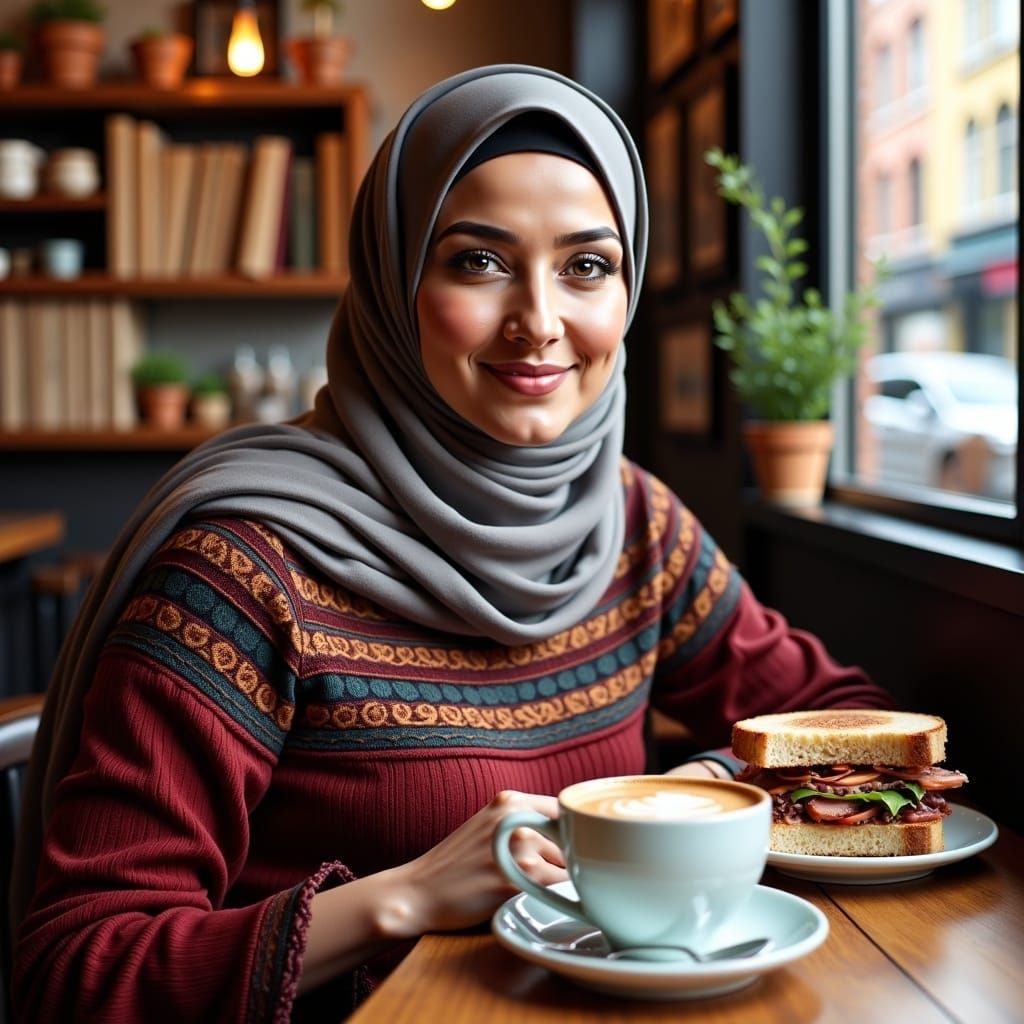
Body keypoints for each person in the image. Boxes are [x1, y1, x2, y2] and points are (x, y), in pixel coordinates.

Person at [11, 64, 892, 1022]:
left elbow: (854, 726)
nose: (540, 322)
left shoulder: (632, 522)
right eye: (479, 261)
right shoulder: (245, 570)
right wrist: (405, 898)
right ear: (394, 284)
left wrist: (705, 788)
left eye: (586, 267)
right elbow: (78, 970)